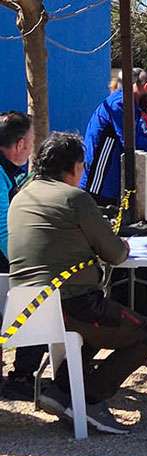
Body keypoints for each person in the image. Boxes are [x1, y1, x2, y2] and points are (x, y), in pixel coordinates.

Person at [8, 132, 147, 434]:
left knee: (92, 330)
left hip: (25, 309)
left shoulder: (21, 195)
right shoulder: (75, 198)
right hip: (71, 305)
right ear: (75, 167)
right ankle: (87, 399)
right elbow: (116, 253)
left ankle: (60, 390)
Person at [81, 67, 147, 207]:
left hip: (111, 180)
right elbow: (131, 140)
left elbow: (140, 135)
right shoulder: (121, 104)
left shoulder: (133, 106)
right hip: (100, 181)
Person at [0, 111, 44, 401]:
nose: (31, 148)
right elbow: (3, 232)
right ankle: (21, 377)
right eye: (30, 142)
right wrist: (28, 266)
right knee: (42, 301)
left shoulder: (10, 173)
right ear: (19, 146)